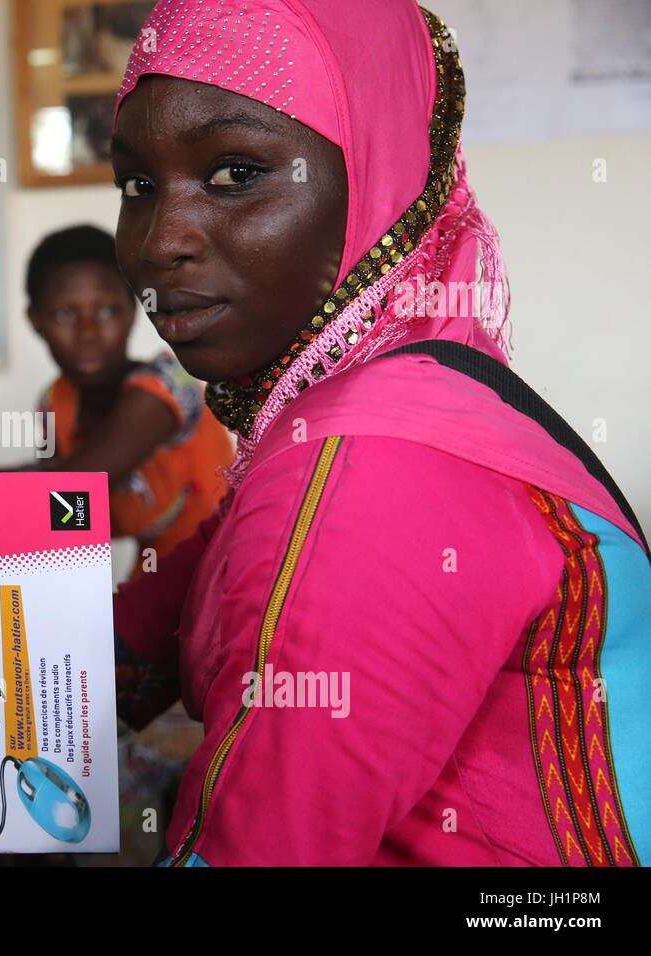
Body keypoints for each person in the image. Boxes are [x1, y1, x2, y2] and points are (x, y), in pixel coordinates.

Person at [111, 0, 649, 865]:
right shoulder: (366, 413)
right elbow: (143, 629)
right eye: (136, 186)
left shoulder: (376, 465)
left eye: (235, 172)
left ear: (381, 176)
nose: (156, 242)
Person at [27, 225, 231, 578]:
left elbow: (68, 490)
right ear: (36, 321)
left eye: (107, 311)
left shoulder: (167, 387)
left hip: (222, 577)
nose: (88, 334)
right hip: (155, 585)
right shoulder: (54, 403)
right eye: (65, 315)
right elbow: (60, 530)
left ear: (133, 312)